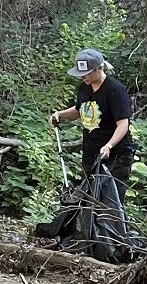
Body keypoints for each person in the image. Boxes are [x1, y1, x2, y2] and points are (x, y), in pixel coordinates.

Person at [49, 47, 134, 186]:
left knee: (109, 196)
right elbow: (80, 110)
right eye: (81, 74)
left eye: (86, 73)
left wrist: (109, 146)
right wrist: (60, 115)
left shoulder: (114, 90)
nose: (83, 77)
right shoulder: (84, 88)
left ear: (99, 69)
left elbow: (123, 124)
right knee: (88, 194)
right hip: (91, 151)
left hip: (116, 154)